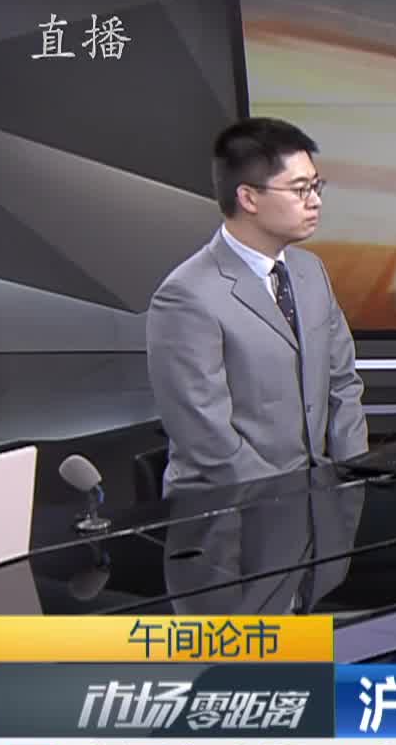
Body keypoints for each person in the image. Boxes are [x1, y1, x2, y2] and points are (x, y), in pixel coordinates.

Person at [146, 117, 367, 495]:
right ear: (248, 198)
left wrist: (356, 478)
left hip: (319, 497)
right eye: (300, 189)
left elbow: (343, 384)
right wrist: (291, 499)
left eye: (316, 186)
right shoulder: (186, 297)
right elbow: (207, 437)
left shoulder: (311, 271)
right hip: (230, 508)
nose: (315, 201)